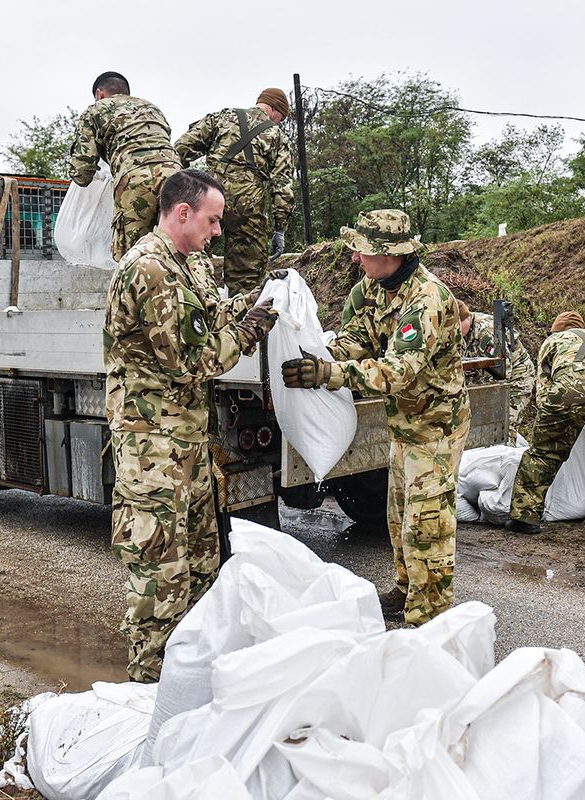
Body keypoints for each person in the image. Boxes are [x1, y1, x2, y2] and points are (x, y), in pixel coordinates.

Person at [104, 168, 281, 682]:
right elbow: (188, 360)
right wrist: (247, 335)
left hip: (186, 439)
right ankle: (150, 684)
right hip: (152, 443)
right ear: (182, 212)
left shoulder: (188, 263)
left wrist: (257, 302)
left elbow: (212, 316)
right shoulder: (151, 269)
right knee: (161, 566)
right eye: (213, 219)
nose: (218, 230)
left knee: (203, 557)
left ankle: (194, 671)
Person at [281, 210, 469, 626]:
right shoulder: (372, 287)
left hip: (435, 427)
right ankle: (407, 590)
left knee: (427, 524)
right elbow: (357, 340)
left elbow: (395, 372)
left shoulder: (427, 300)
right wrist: (320, 349)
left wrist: (328, 375)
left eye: (361, 251)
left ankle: (430, 617)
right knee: (399, 514)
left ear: (389, 255)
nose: (353, 258)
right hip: (404, 425)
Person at [506, 311, 585, 534]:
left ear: (555, 329)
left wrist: (551, 423)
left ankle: (525, 517)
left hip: (569, 392)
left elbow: (544, 387)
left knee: (544, 452)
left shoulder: (552, 341)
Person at [174, 88, 295, 294]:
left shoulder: (224, 117)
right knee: (246, 282)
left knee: (195, 262)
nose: (278, 124)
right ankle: (240, 322)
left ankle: (196, 313)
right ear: (274, 108)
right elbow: (282, 186)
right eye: (280, 118)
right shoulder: (277, 136)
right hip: (248, 210)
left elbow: (181, 148)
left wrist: (180, 188)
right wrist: (280, 229)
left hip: (208, 199)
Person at [69, 71, 182, 262]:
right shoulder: (151, 108)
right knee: (179, 247)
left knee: (133, 257)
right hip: (177, 177)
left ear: (99, 94)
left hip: (135, 179)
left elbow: (82, 173)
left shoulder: (95, 110)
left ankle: (138, 291)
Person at [457, 300, 536, 438]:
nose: (455, 331)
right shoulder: (459, 332)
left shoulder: (488, 332)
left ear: (468, 318)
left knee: (502, 429)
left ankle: (505, 456)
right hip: (484, 378)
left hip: (515, 380)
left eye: (458, 326)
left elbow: (502, 375)